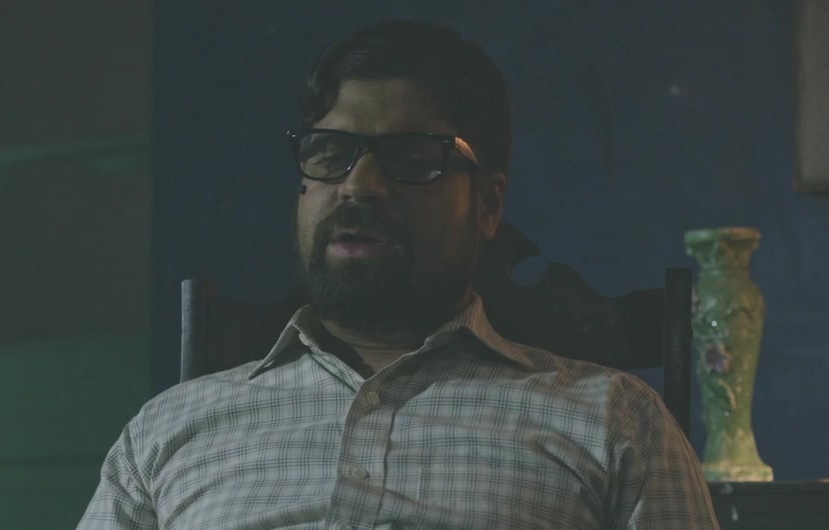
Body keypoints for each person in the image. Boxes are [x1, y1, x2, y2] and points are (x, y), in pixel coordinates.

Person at [79, 18, 719, 529]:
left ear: (487, 206)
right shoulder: (167, 431)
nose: (359, 186)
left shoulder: (613, 422)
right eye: (331, 152)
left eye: (413, 158)